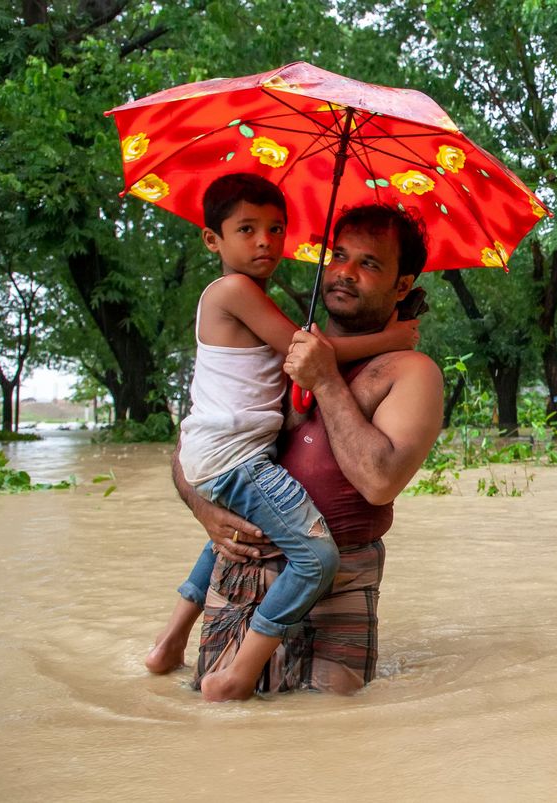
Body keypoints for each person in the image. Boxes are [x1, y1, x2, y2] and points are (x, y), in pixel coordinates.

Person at [155, 200, 442, 700]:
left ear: (402, 286)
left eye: (368, 263)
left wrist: (326, 379)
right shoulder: (277, 348)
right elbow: (193, 443)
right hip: (245, 565)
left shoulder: (409, 372)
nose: (345, 273)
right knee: (218, 722)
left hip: (342, 577)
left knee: (331, 733)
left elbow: (379, 482)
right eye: (339, 256)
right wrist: (204, 509)